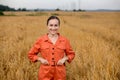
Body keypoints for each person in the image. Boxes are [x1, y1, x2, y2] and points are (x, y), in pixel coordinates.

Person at [28, 16, 75, 80]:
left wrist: (64, 59)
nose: (53, 28)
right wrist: (40, 59)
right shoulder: (41, 40)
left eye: (56, 25)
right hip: (45, 73)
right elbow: (31, 54)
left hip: (60, 74)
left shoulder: (64, 40)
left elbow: (71, 54)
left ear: (59, 26)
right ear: (47, 26)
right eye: (51, 25)